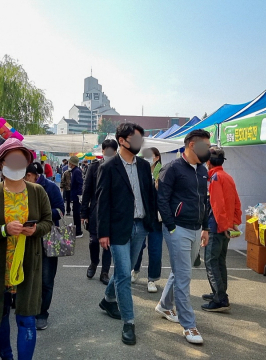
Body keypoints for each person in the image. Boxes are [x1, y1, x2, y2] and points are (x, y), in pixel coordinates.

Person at [0, 138, 53, 360]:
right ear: (1, 163)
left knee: (27, 317)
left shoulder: (37, 191)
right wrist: (4, 229)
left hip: (28, 264)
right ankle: (6, 355)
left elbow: (48, 221)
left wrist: (36, 229)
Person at [96, 123, 155, 346]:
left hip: (140, 226)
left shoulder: (143, 166)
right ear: (122, 140)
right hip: (118, 229)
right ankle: (129, 322)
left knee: (125, 270)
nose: (140, 144)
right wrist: (103, 232)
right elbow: (103, 202)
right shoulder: (108, 167)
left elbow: (149, 195)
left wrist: (151, 222)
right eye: (136, 139)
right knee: (123, 276)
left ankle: (108, 299)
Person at [155, 129, 212, 345]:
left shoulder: (202, 171)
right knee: (184, 277)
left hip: (196, 229)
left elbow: (204, 202)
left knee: (179, 272)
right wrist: (171, 227)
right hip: (177, 229)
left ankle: (164, 305)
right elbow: (162, 200)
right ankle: (189, 325)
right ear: (191, 145)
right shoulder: (172, 169)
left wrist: (205, 228)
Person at [24, 162, 65, 330]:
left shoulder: (50, 187)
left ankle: (42, 313)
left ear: (35, 175)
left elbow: (61, 211)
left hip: (48, 237)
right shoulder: (19, 188)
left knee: (46, 279)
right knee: (26, 276)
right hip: (26, 238)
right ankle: (27, 309)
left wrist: (42, 215)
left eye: (27, 176)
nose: (25, 179)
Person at [202, 147, 241, 313]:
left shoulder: (215, 178)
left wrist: (225, 226)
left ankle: (220, 298)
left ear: (208, 162)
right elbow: (236, 203)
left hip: (216, 226)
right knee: (219, 261)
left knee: (211, 262)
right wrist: (233, 223)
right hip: (224, 225)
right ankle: (220, 293)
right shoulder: (227, 177)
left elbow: (217, 206)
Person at [81, 139, 117, 285]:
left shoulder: (119, 167)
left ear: (116, 152)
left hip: (113, 211)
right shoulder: (94, 167)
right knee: (94, 241)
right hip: (96, 209)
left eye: (112, 151)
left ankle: (105, 272)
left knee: (108, 243)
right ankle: (94, 263)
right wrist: (83, 214)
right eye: (106, 151)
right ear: (102, 151)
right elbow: (87, 191)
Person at [132, 147, 164, 293]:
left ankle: (152, 279)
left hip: (157, 218)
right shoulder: (140, 172)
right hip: (142, 217)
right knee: (138, 248)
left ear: (157, 157)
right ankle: (135, 270)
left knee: (155, 250)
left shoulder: (163, 173)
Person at [68, 156, 84, 238]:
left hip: (76, 196)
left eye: (69, 162)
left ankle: (78, 231)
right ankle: (77, 229)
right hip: (75, 195)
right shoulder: (75, 171)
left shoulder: (76, 171)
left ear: (72, 163)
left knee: (76, 214)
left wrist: (79, 195)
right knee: (75, 213)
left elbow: (80, 183)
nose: (68, 163)